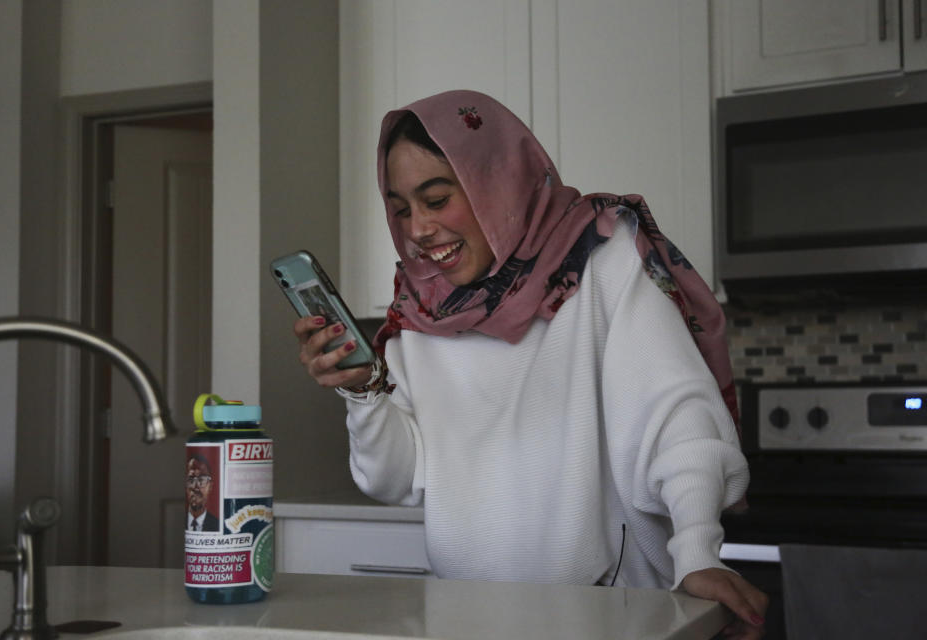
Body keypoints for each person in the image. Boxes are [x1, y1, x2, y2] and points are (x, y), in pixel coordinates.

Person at [294, 90, 767, 639]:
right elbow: (394, 481)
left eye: (437, 198)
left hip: (613, 618)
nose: (418, 230)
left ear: (494, 180)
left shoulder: (602, 259)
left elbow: (679, 419)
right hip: (464, 619)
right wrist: (364, 391)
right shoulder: (420, 310)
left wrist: (697, 553)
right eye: (402, 209)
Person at [186, 454, 219, 532]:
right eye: (191, 480)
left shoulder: (218, 525)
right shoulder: (176, 522)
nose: (196, 487)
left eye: (202, 480)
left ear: (210, 486)